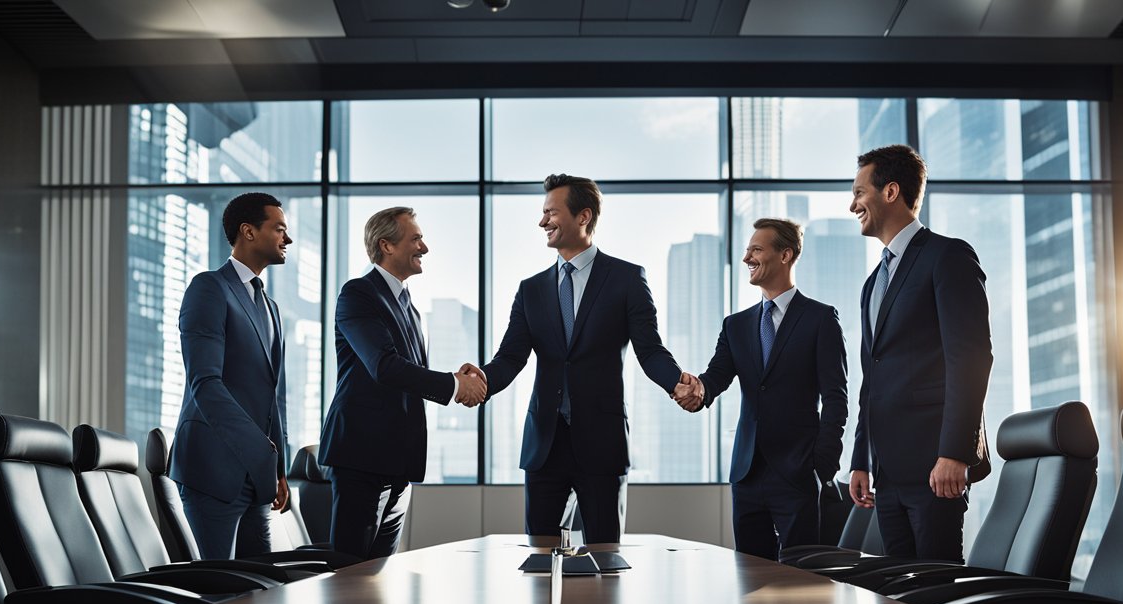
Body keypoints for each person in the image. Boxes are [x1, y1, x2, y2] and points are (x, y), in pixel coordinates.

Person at [473, 174, 691, 544]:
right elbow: (510, 357)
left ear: (583, 216)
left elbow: (649, 349)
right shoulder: (531, 290)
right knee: (539, 557)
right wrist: (480, 382)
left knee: (606, 555)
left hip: (602, 444)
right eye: (543, 213)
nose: (542, 222)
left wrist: (678, 383)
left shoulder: (626, 278)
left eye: (551, 213)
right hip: (545, 444)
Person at [847, 145, 993, 561]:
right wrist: (861, 459)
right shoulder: (873, 282)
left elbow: (970, 359)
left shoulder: (947, 256)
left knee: (939, 593)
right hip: (888, 474)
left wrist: (954, 452)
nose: (852, 203)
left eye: (859, 192)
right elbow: (870, 382)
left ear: (890, 191)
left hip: (936, 467)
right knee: (898, 599)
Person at [319, 207, 486, 560]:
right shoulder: (358, 294)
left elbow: (411, 375)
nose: (424, 247)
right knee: (351, 578)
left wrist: (455, 381)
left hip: (398, 464)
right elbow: (385, 367)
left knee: (380, 576)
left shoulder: (409, 306)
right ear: (386, 245)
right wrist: (455, 386)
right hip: (362, 459)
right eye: (416, 239)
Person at [675, 219, 848, 559]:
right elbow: (715, 377)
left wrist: (821, 465)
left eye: (756, 249)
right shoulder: (736, 325)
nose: (747, 259)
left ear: (786, 255)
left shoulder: (820, 319)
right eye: (747, 250)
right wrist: (695, 389)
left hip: (798, 473)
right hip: (747, 473)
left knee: (801, 582)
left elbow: (836, 399)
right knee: (750, 576)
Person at [171, 192, 292, 560]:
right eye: (279, 229)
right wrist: (261, 450)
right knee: (218, 594)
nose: (287, 239)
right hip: (212, 469)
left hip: (256, 473)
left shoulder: (269, 306)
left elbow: (274, 396)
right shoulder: (209, 288)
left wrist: (279, 468)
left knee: (262, 589)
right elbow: (206, 384)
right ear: (248, 232)